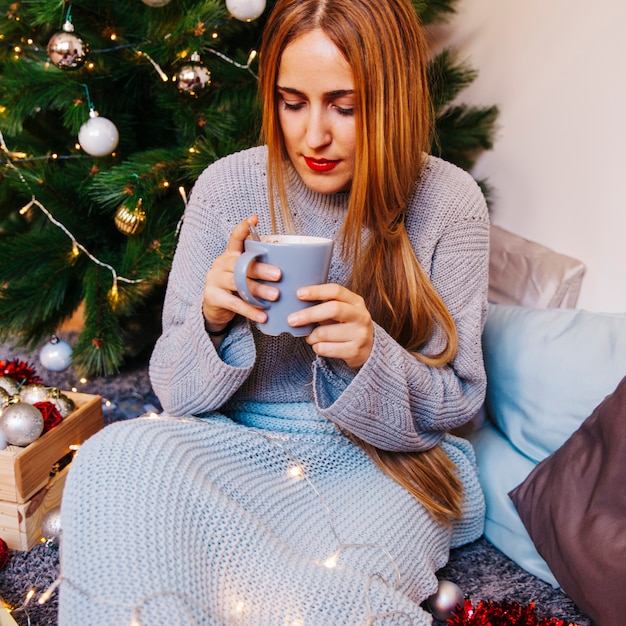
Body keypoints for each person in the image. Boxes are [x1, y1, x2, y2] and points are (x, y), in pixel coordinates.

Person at [58, 0, 489, 623]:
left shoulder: (450, 203)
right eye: (293, 103)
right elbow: (174, 393)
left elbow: (459, 400)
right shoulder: (228, 188)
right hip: (241, 441)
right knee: (115, 458)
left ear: (392, 99)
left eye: (345, 106)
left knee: (314, 599)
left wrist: (373, 354)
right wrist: (211, 318)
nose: (314, 135)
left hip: (388, 464)